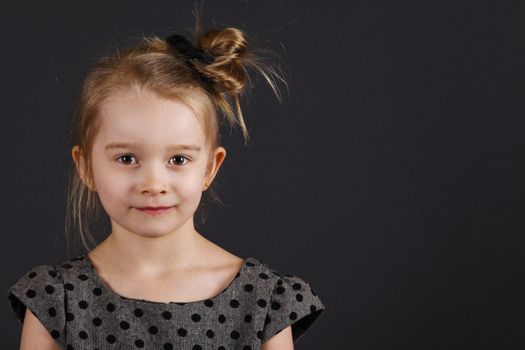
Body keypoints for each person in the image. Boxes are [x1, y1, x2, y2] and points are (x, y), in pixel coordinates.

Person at [6, 5, 325, 350]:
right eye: (127, 158)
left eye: (178, 159)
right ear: (85, 166)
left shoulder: (265, 302)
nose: (153, 183)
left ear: (209, 168)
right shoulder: (55, 301)